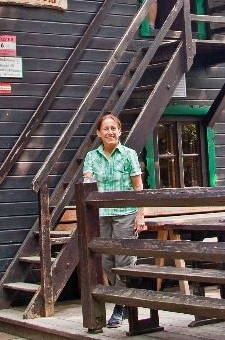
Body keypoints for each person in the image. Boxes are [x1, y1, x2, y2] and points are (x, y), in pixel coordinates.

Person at [82, 114, 145, 328]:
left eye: (113, 128)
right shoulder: (91, 157)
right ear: (98, 133)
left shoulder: (129, 155)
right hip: (101, 215)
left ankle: (119, 306)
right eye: (106, 129)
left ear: (120, 131)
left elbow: (138, 188)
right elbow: (88, 184)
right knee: (106, 261)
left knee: (123, 261)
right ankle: (124, 301)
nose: (110, 132)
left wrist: (140, 214)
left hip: (125, 213)